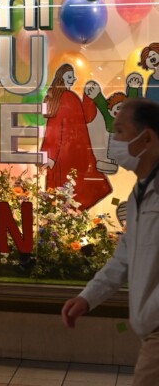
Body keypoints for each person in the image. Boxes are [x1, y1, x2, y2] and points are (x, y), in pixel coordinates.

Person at [61, 98, 159, 386]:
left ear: (146, 138)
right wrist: (87, 298)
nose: (113, 140)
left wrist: (151, 316)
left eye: (120, 131)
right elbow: (124, 258)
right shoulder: (139, 194)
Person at [41, 63, 112, 209]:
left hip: (70, 152)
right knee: (72, 189)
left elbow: (81, 118)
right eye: (69, 76)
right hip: (69, 154)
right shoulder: (66, 97)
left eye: (72, 76)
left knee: (68, 190)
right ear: (62, 79)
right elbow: (55, 128)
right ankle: (69, 215)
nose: (73, 79)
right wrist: (51, 155)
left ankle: (68, 215)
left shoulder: (64, 98)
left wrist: (89, 97)